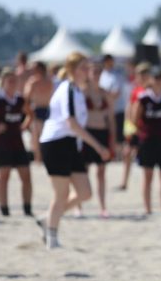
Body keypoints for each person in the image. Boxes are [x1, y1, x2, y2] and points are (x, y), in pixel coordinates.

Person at [39, 52, 110, 249]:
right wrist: (97, 145)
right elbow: (71, 122)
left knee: (85, 192)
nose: (87, 71)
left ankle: (48, 218)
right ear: (72, 70)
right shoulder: (67, 89)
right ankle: (51, 237)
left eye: (88, 68)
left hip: (70, 144)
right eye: (83, 68)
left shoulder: (78, 91)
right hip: (56, 143)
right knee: (60, 193)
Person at [0, 68, 33, 216]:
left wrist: (24, 126)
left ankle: (27, 208)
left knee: (26, 175)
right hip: (1, 143)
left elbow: (30, 114)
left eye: (14, 80)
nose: (12, 83)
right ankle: (4, 209)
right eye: (9, 81)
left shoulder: (19, 100)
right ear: (3, 82)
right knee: (4, 176)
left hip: (17, 141)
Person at [136, 67, 161, 214]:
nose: (158, 81)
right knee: (148, 176)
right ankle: (148, 209)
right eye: (156, 78)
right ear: (150, 80)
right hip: (148, 141)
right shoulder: (144, 98)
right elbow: (135, 118)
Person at [82, 62, 116, 217]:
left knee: (101, 171)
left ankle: (102, 206)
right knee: (84, 170)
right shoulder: (82, 92)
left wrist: (113, 139)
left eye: (98, 72)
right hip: (87, 133)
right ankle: (79, 205)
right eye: (93, 72)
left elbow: (111, 118)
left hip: (102, 133)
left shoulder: (105, 93)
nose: (96, 75)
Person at [118, 63, 150, 191]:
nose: (140, 77)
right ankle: (124, 181)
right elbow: (129, 107)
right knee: (127, 153)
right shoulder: (136, 90)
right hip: (133, 127)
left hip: (143, 128)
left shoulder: (148, 91)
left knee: (143, 157)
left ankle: (143, 184)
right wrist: (128, 124)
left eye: (143, 74)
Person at [23, 61, 55, 163]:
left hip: (42, 110)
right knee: (39, 135)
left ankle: (40, 158)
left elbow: (26, 98)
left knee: (38, 136)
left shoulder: (34, 82)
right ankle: (40, 157)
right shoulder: (48, 80)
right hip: (42, 110)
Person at [98, 54, 127, 155]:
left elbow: (116, 92)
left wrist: (105, 98)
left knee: (118, 134)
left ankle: (118, 153)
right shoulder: (101, 75)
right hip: (105, 110)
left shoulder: (117, 74)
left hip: (117, 109)